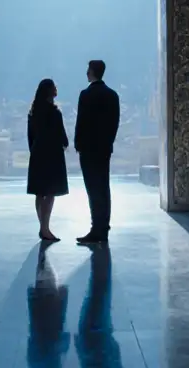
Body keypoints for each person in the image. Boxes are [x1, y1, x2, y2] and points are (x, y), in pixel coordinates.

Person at [73, 60, 120, 244]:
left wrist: (78, 143)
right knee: (103, 187)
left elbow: (81, 121)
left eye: (88, 70)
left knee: (92, 189)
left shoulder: (85, 95)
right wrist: (108, 143)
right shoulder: (112, 95)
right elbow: (114, 123)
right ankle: (104, 227)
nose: (86, 73)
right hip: (104, 149)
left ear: (92, 72)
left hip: (88, 149)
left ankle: (96, 228)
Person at [27, 78, 69, 241]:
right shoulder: (55, 112)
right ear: (50, 91)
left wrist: (34, 150)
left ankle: (42, 226)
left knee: (39, 192)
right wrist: (65, 144)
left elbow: (30, 136)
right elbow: (61, 135)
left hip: (38, 153)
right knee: (50, 192)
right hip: (53, 154)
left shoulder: (33, 112)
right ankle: (45, 228)